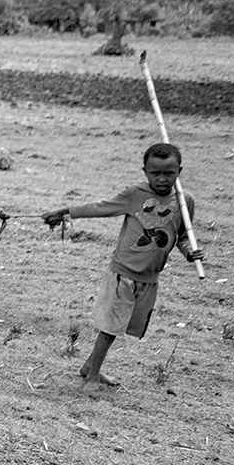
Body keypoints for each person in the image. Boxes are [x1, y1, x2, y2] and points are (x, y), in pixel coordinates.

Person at [42, 143, 204, 387]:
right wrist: (66, 211)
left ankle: (89, 366)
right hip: (123, 273)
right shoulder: (135, 194)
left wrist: (190, 252)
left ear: (179, 171)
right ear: (144, 171)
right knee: (110, 327)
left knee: (120, 326)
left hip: (150, 278)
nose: (162, 179)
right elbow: (101, 208)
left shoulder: (185, 201)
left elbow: (181, 236)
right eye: (155, 173)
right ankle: (93, 375)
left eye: (168, 173)